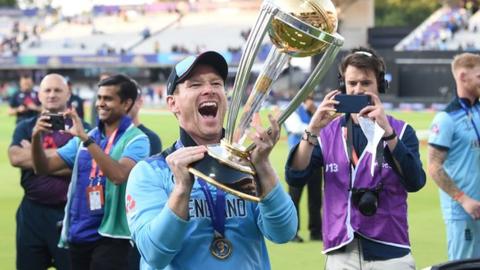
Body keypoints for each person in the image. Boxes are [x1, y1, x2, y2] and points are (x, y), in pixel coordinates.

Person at [125, 51, 297, 269]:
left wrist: (262, 167)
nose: (209, 90)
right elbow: (154, 255)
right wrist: (181, 190)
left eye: (216, 84)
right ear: (172, 103)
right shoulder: (150, 171)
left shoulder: (246, 166)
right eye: (195, 85)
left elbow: (283, 233)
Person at [285, 47, 426, 269]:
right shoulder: (327, 133)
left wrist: (388, 133)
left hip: (390, 251)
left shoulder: (401, 130)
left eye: (365, 83)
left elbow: (415, 181)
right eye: (352, 84)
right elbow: (295, 176)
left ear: (380, 85)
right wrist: (312, 130)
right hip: (341, 252)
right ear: (343, 86)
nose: (358, 89)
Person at [31, 74, 150, 270]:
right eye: (99, 97)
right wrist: (36, 137)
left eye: (108, 98)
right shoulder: (88, 137)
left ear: (127, 103)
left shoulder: (137, 140)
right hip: (80, 232)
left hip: (111, 237)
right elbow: (43, 167)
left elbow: (118, 175)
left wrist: (86, 140)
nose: (100, 103)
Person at [8, 74, 91, 270]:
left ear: (68, 93)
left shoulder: (82, 129)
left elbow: (84, 166)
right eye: (47, 90)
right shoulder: (26, 126)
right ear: (40, 94)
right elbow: (15, 157)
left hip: (70, 213)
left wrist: (36, 155)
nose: (52, 95)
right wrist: (65, 160)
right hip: (32, 213)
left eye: (57, 90)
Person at [428, 52, 480, 261]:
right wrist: (464, 199)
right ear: (463, 76)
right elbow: (434, 166)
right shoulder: (446, 118)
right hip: (462, 212)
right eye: (479, 76)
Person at [127, 86, 162, 270]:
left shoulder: (150, 138)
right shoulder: (105, 136)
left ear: (139, 102)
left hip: (137, 225)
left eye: (129, 99)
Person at [283, 94, 322, 242]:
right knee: (294, 199)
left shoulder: (316, 112)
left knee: (315, 198)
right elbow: (296, 128)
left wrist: (316, 116)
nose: (312, 101)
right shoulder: (293, 111)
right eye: (310, 98)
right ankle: (293, 232)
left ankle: (316, 231)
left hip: (316, 159)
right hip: (297, 161)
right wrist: (316, 125)